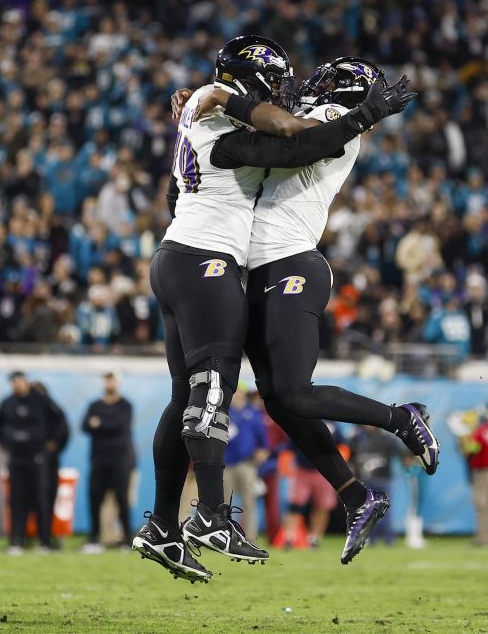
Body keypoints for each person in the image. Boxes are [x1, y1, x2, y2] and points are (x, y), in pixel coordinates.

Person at [134, 35, 415, 583]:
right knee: (213, 383)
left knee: (181, 397)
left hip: (177, 255)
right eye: (273, 82)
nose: (282, 92)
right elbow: (291, 143)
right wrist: (369, 113)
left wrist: (206, 97)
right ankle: (211, 513)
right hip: (206, 260)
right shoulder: (219, 121)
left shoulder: (201, 113)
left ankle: (162, 527)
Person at [0, 371, 57, 553]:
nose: (16, 384)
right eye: (13, 381)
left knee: (41, 499)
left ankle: (45, 541)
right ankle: (17, 540)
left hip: (37, 458)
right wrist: (5, 444)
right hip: (17, 458)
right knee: (17, 500)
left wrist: (51, 445)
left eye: (18, 380)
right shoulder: (7, 403)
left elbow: (58, 421)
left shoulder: (41, 400)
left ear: (26, 381)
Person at [80, 372, 135, 553]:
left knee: (122, 499)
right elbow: (85, 426)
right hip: (98, 460)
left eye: (111, 379)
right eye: (106, 379)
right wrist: (101, 425)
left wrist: (99, 424)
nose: (108, 382)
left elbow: (119, 426)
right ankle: (94, 539)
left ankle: (127, 538)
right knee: (95, 499)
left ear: (117, 382)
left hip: (120, 460)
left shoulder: (125, 405)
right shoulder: (94, 405)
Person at [221, 384, 267, 543]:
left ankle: (250, 538)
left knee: (249, 501)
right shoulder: (224, 412)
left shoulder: (253, 413)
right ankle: (225, 537)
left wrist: (263, 452)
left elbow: (263, 439)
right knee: (225, 503)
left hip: (247, 464)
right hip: (226, 464)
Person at [32, 380, 70, 543]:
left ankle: (46, 537)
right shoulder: (27, 410)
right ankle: (25, 536)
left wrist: (53, 447)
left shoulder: (53, 410)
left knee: (46, 499)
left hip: (48, 462)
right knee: (27, 500)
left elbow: (64, 429)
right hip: (27, 461)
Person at [462, 411, 488, 546]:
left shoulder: (480, 433)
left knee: (482, 505)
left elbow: (472, 450)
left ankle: (484, 537)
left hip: (484, 472)